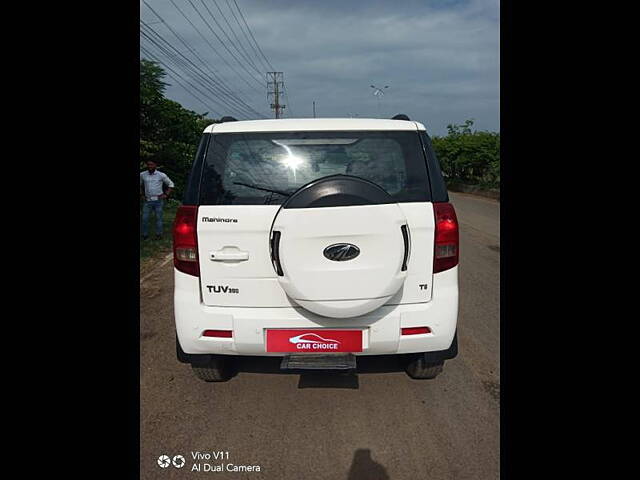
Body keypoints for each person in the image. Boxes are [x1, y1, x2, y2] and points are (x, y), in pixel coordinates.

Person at [140, 160, 174, 240]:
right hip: (147, 200)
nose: (150, 166)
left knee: (159, 218)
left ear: (155, 165)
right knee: (144, 218)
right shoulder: (142, 175)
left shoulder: (161, 175)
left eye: (152, 165)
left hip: (158, 200)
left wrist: (166, 194)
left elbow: (171, 184)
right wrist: (141, 195)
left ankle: (159, 235)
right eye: (148, 164)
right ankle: (145, 235)